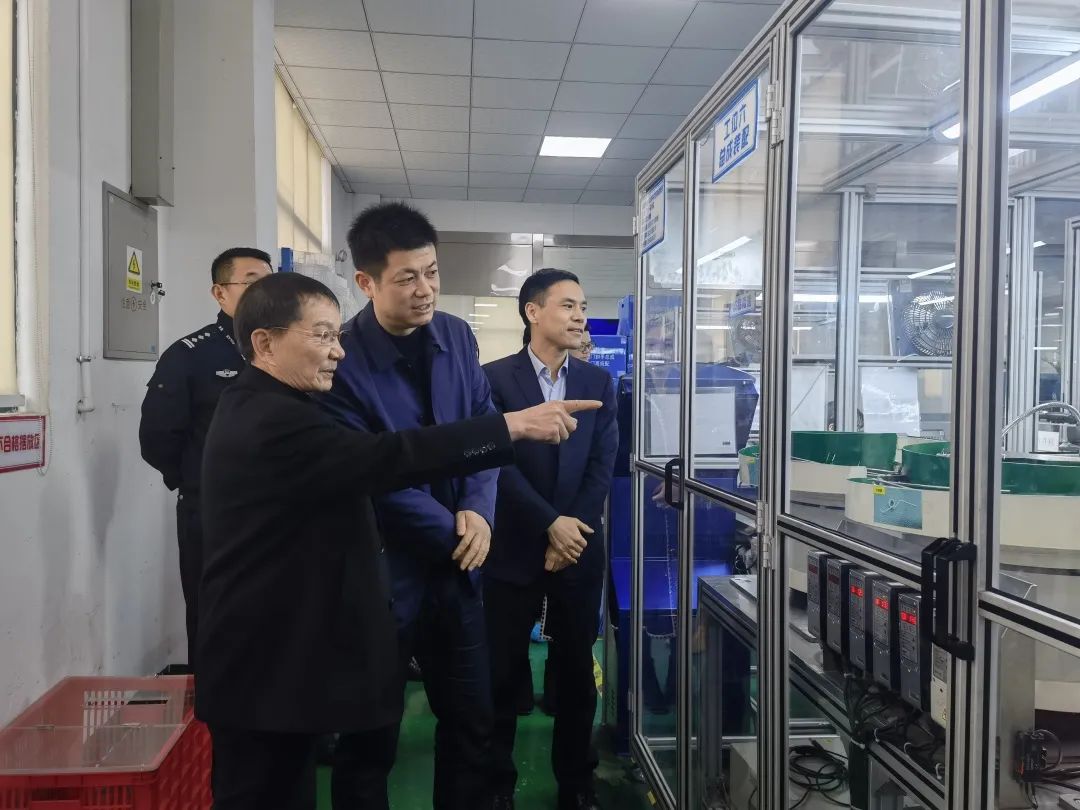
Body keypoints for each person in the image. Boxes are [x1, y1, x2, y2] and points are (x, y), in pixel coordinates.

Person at [197, 272, 599, 810]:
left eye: (338, 335)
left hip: (283, 659)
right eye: (322, 336)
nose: (338, 352)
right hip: (264, 663)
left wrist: (478, 506)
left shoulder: (279, 403)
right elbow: (388, 457)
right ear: (264, 343)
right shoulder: (274, 419)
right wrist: (509, 428)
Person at [316, 202, 498, 810]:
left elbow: (483, 428)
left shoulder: (456, 336)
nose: (426, 290)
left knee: (471, 722)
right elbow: (366, 472)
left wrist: (480, 510)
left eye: (433, 272)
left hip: (458, 569)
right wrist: (453, 529)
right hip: (382, 575)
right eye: (407, 278)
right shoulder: (341, 359)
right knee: (370, 739)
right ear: (366, 282)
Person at [483, 269, 619, 810]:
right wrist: (548, 523)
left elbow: (602, 462)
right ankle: (497, 784)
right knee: (502, 668)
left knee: (576, 671)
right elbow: (496, 463)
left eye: (582, 305)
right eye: (567, 305)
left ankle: (576, 782)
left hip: (578, 545)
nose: (580, 316)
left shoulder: (597, 383)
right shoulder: (493, 380)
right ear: (532, 311)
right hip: (513, 544)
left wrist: (572, 528)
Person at [138, 247, 272, 671]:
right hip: (212, 513)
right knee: (214, 614)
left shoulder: (284, 346)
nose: (263, 292)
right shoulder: (191, 355)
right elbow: (158, 437)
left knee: (277, 614)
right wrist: (197, 481)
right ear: (220, 293)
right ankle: (212, 708)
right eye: (250, 282)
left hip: (277, 509)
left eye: (269, 282)